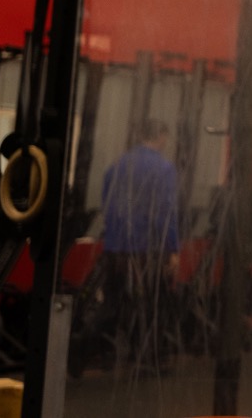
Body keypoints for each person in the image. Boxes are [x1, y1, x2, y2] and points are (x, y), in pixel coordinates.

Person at [85, 119, 181, 375]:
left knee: (113, 303)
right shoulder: (164, 169)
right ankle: (146, 360)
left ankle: (81, 350)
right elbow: (166, 212)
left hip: (116, 248)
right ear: (161, 137)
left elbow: (108, 207)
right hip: (146, 249)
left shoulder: (116, 166)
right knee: (151, 305)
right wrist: (172, 248)